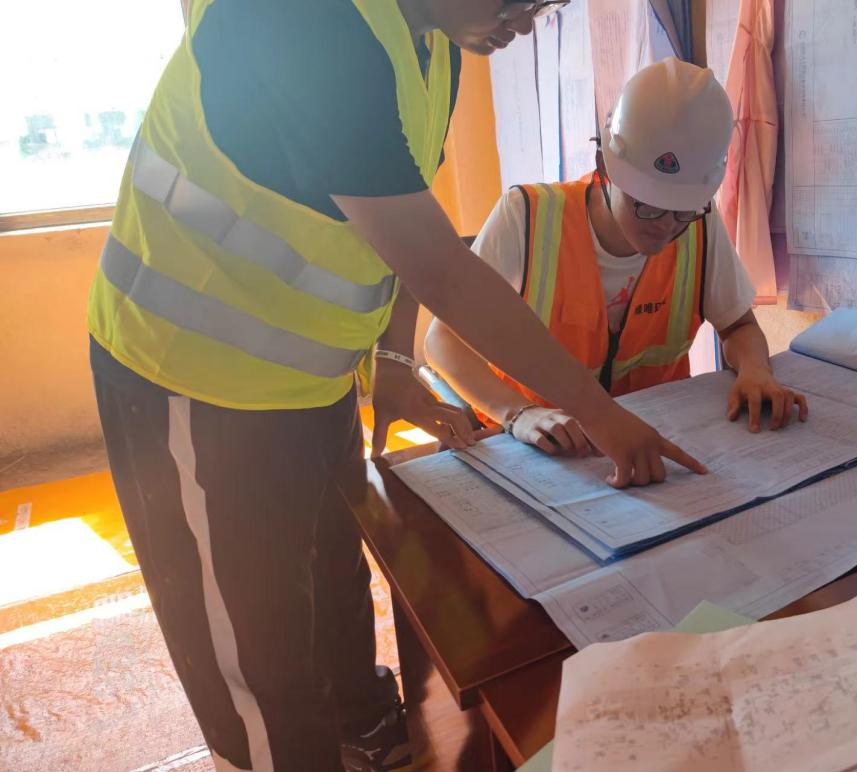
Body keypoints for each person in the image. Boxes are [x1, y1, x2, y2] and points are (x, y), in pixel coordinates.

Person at [87, 1, 706, 770]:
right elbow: (439, 266)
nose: (525, 20)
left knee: (333, 577)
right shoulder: (306, 22)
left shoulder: (435, 40)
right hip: (195, 376)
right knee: (258, 650)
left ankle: (367, 731)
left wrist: (387, 361)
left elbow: (392, 221)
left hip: (311, 378)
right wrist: (600, 414)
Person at [426, 58, 808, 456]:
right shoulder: (526, 218)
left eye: (682, 211)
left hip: (651, 435)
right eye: (648, 206)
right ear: (605, 168)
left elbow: (738, 326)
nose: (666, 225)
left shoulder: (701, 225)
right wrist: (518, 414)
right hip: (541, 447)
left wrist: (755, 370)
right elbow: (442, 340)